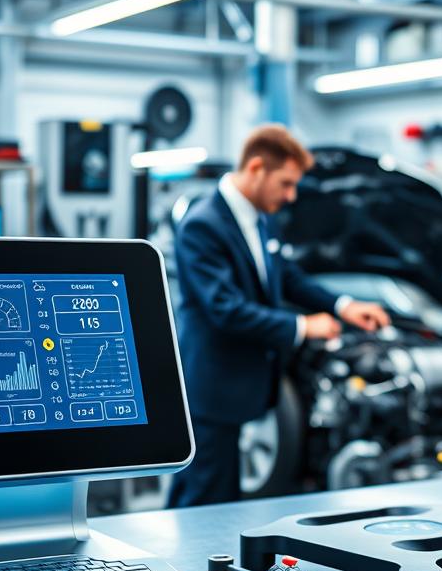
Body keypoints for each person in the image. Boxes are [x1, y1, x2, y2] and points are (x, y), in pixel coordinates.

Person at [168, 125, 391, 507]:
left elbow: (286, 276)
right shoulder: (203, 225)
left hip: (243, 382)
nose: (290, 196)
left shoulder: (261, 218)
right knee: (205, 496)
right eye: (285, 184)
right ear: (256, 168)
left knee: (218, 494)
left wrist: (343, 306)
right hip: (212, 385)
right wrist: (304, 326)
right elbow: (225, 309)